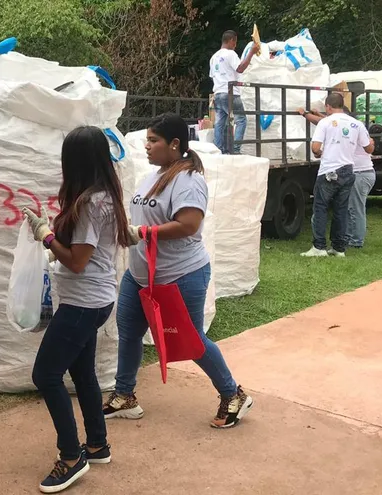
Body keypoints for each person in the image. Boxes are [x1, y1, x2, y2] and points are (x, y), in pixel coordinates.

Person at [102, 113, 254, 429]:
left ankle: (233, 394)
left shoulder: (189, 180)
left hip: (180, 276)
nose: (147, 146)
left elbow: (188, 225)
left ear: (174, 144)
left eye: (153, 140)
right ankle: (124, 395)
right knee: (128, 332)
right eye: (147, 140)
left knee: (191, 341)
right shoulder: (154, 176)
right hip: (140, 275)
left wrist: (142, 232)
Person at [21, 126, 132, 493]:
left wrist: (46, 236)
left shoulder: (89, 204)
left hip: (83, 302)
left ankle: (71, 457)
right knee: (83, 373)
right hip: (95, 300)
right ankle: (97, 445)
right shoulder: (105, 196)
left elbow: (77, 261)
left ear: (76, 162)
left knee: (46, 375)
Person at [301, 93, 374, 257]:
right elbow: (369, 148)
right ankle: (338, 248)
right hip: (348, 170)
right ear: (342, 105)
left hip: (329, 170)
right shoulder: (356, 124)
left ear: (328, 106)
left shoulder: (325, 122)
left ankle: (319, 247)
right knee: (341, 210)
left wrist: (320, 152)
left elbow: (315, 147)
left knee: (320, 208)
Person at [210, 30, 255, 154]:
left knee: (220, 123)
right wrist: (251, 52)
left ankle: (218, 150)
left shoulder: (214, 57)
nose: (235, 45)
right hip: (230, 93)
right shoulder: (230, 54)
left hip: (218, 93)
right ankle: (235, 150)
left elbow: (213, 76)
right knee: (241, 120)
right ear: (231, 40)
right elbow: (240, 68)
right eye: (235, 42)